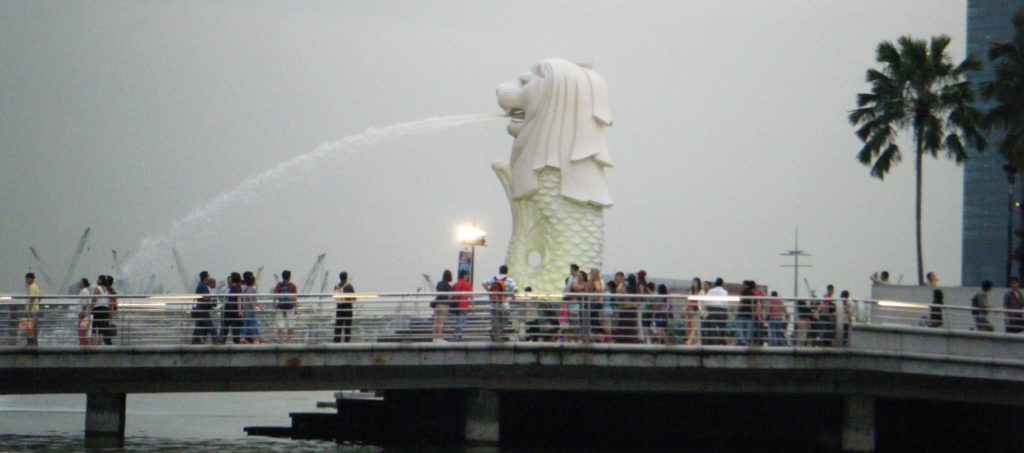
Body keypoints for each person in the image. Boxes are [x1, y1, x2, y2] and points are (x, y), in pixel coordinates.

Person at [484, 265, 517, 341]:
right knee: (506, 319)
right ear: (507, 271)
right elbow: (515, 289)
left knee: (495, 319)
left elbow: (483, 283)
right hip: (503, 304)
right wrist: (511, 296)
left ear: (499, 270)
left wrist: (489, 291)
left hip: (493, 303)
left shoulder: (493, 278)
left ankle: (495, 334)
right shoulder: (509, 280)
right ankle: (498, 334)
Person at [190, 271, 216, 345]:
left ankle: (195, 340)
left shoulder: (200, 285)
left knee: (199, 325)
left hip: (199, 309)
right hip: (203, 310)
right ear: (205, 277)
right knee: (210, 326)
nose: (209, 278)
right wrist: (211, 303)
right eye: (208, 276)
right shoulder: (203, 287)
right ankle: (216, 340)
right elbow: (205, 299)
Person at [274, 270, 298, 343]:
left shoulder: (278, 285)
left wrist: (274, 305)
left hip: (280, 307)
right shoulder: (293, 286)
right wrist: (296, 308)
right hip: (290, 307)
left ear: (282, 276)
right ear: (289, 277)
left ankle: (281, 341)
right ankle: (289, 341)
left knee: (280, 324)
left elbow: (274, 297)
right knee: (291, 325)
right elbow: (295, 298)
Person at [704, 278, 729, 345]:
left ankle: (713, 342)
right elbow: (725, 303)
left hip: (712, 310)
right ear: (722, 284)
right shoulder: (724, 292)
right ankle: (721, 341)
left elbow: (706, 301)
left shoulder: (711, 291)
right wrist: (726, 311)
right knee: (722, 327)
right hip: (721, 311)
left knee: (712, 326)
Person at [221, 273, 244, 344]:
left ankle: (226, 341)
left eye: (232, 277)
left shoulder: (237, 287)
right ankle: (223, 340)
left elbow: (239, 298)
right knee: (226, 326)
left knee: (232, 328)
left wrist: (240, 311)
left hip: (233, 310)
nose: (230, 279)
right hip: (230, 310)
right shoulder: (234, 287)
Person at [91, 275, 115, 345]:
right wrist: (110, 314)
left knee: (94, 329)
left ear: (101, 280)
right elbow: (111, 303)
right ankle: (100, 345)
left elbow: (94, 300)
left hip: (97, 309)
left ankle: (94, 345)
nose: (96, 281)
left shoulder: (97, 288)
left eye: (98, 279)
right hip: (105, 310)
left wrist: (89, 310)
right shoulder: (109, 290)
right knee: (101, 330)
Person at [240, 271, 262, 344]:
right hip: (249, 309)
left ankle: (242, 338)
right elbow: (251, 298)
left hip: (246, 308)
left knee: (246, 324)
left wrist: (260, 307)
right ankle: (259, 337)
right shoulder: (251, 289)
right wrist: (254, 307)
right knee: (254, 323)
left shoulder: (246, 289)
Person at [431, 270, 453, 343]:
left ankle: (434, 338)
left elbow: (437, 292)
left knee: (436, 321)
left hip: (437, 304)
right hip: (444, 305)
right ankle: (440, 338)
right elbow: (450, 297)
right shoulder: (449, 286)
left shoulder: (439, 283)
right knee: (441, 322)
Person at [450, 270, 472, 341]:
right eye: (467, 275)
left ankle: (458, 335)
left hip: (456, 305)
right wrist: (472, 307)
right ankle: (458, 336)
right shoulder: (468, 284)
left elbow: (452, 295)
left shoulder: (456, 284)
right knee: (462, 322)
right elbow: (471, 296)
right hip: (464, 305)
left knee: (458, 321)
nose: (467, 277)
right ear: (465, 275)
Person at [333, 272, 355, 343]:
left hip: (339, 308)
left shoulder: (336, 286)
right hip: (348, 308)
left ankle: (336, 342)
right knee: (347, 327)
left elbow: (335, 297)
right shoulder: (349, 286)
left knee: (338, 325)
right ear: (346, 277)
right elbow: (354, 298)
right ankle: (347, 341)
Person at [23, 273, 41, 346]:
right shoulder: (35, 286)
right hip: (35, 310)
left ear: (31, 279)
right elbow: (40, 296)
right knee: (33, 327)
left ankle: (31, 343)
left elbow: (32, 298)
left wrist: (30, 309)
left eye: (27, 279)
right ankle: (34, 342)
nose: (26, 281)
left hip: (32, 311)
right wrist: (37, 304)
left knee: (30, 327)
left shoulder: (32, 287)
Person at [76, 278, 92, 346]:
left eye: (80, 282)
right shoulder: (85, 291)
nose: (79, 283)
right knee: (83, 333)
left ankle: (84, 347)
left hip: (82, 315)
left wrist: (82, 313)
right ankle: (85, 345)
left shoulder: (84, 291)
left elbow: (84, 304)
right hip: (85, 315)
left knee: (82, 333)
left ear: (84, 283)